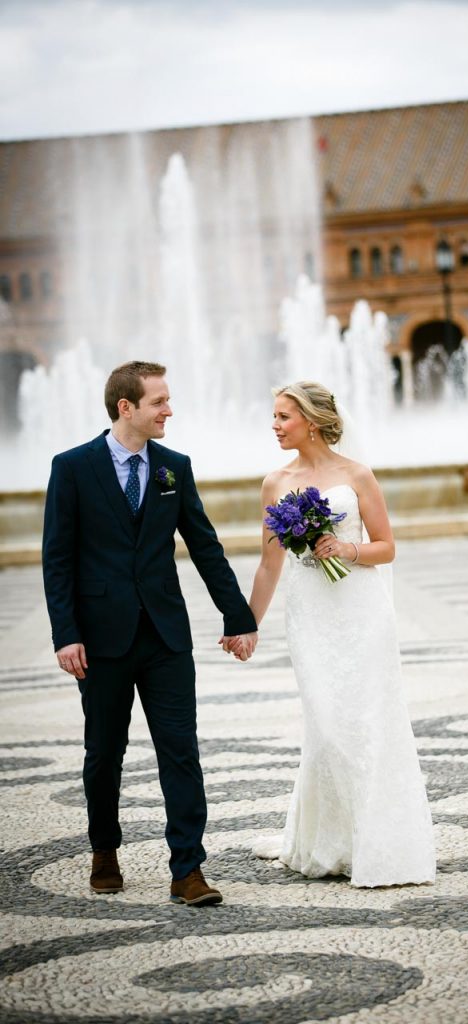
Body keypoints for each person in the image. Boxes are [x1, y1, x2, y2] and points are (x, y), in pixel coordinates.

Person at [42, 360, 258, 906]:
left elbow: (205, 546)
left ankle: (188, 870)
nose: (169, 410)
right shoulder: (71, 468)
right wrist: (65, 634)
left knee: (180, 751)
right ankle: (104, 852)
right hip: (99, 640)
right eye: (159, 401)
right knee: (103, 753)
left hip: (165, 637)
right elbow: (57, 559)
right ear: (126, 408)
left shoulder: (173, 468)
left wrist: (238, 618)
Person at [238, 381, 436, 887]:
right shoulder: (273, 483)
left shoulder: (357, 475)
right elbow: (268, 566)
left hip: (362, 611)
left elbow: (387, 548)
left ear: (313, 420)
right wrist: (245, 624)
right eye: (274, 416)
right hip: (310, 615)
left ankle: (376, 842)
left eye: (284, 416)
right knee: (326, 723)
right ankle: (330, 840)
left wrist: (345, 550)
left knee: (368, 720)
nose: (275, 425)